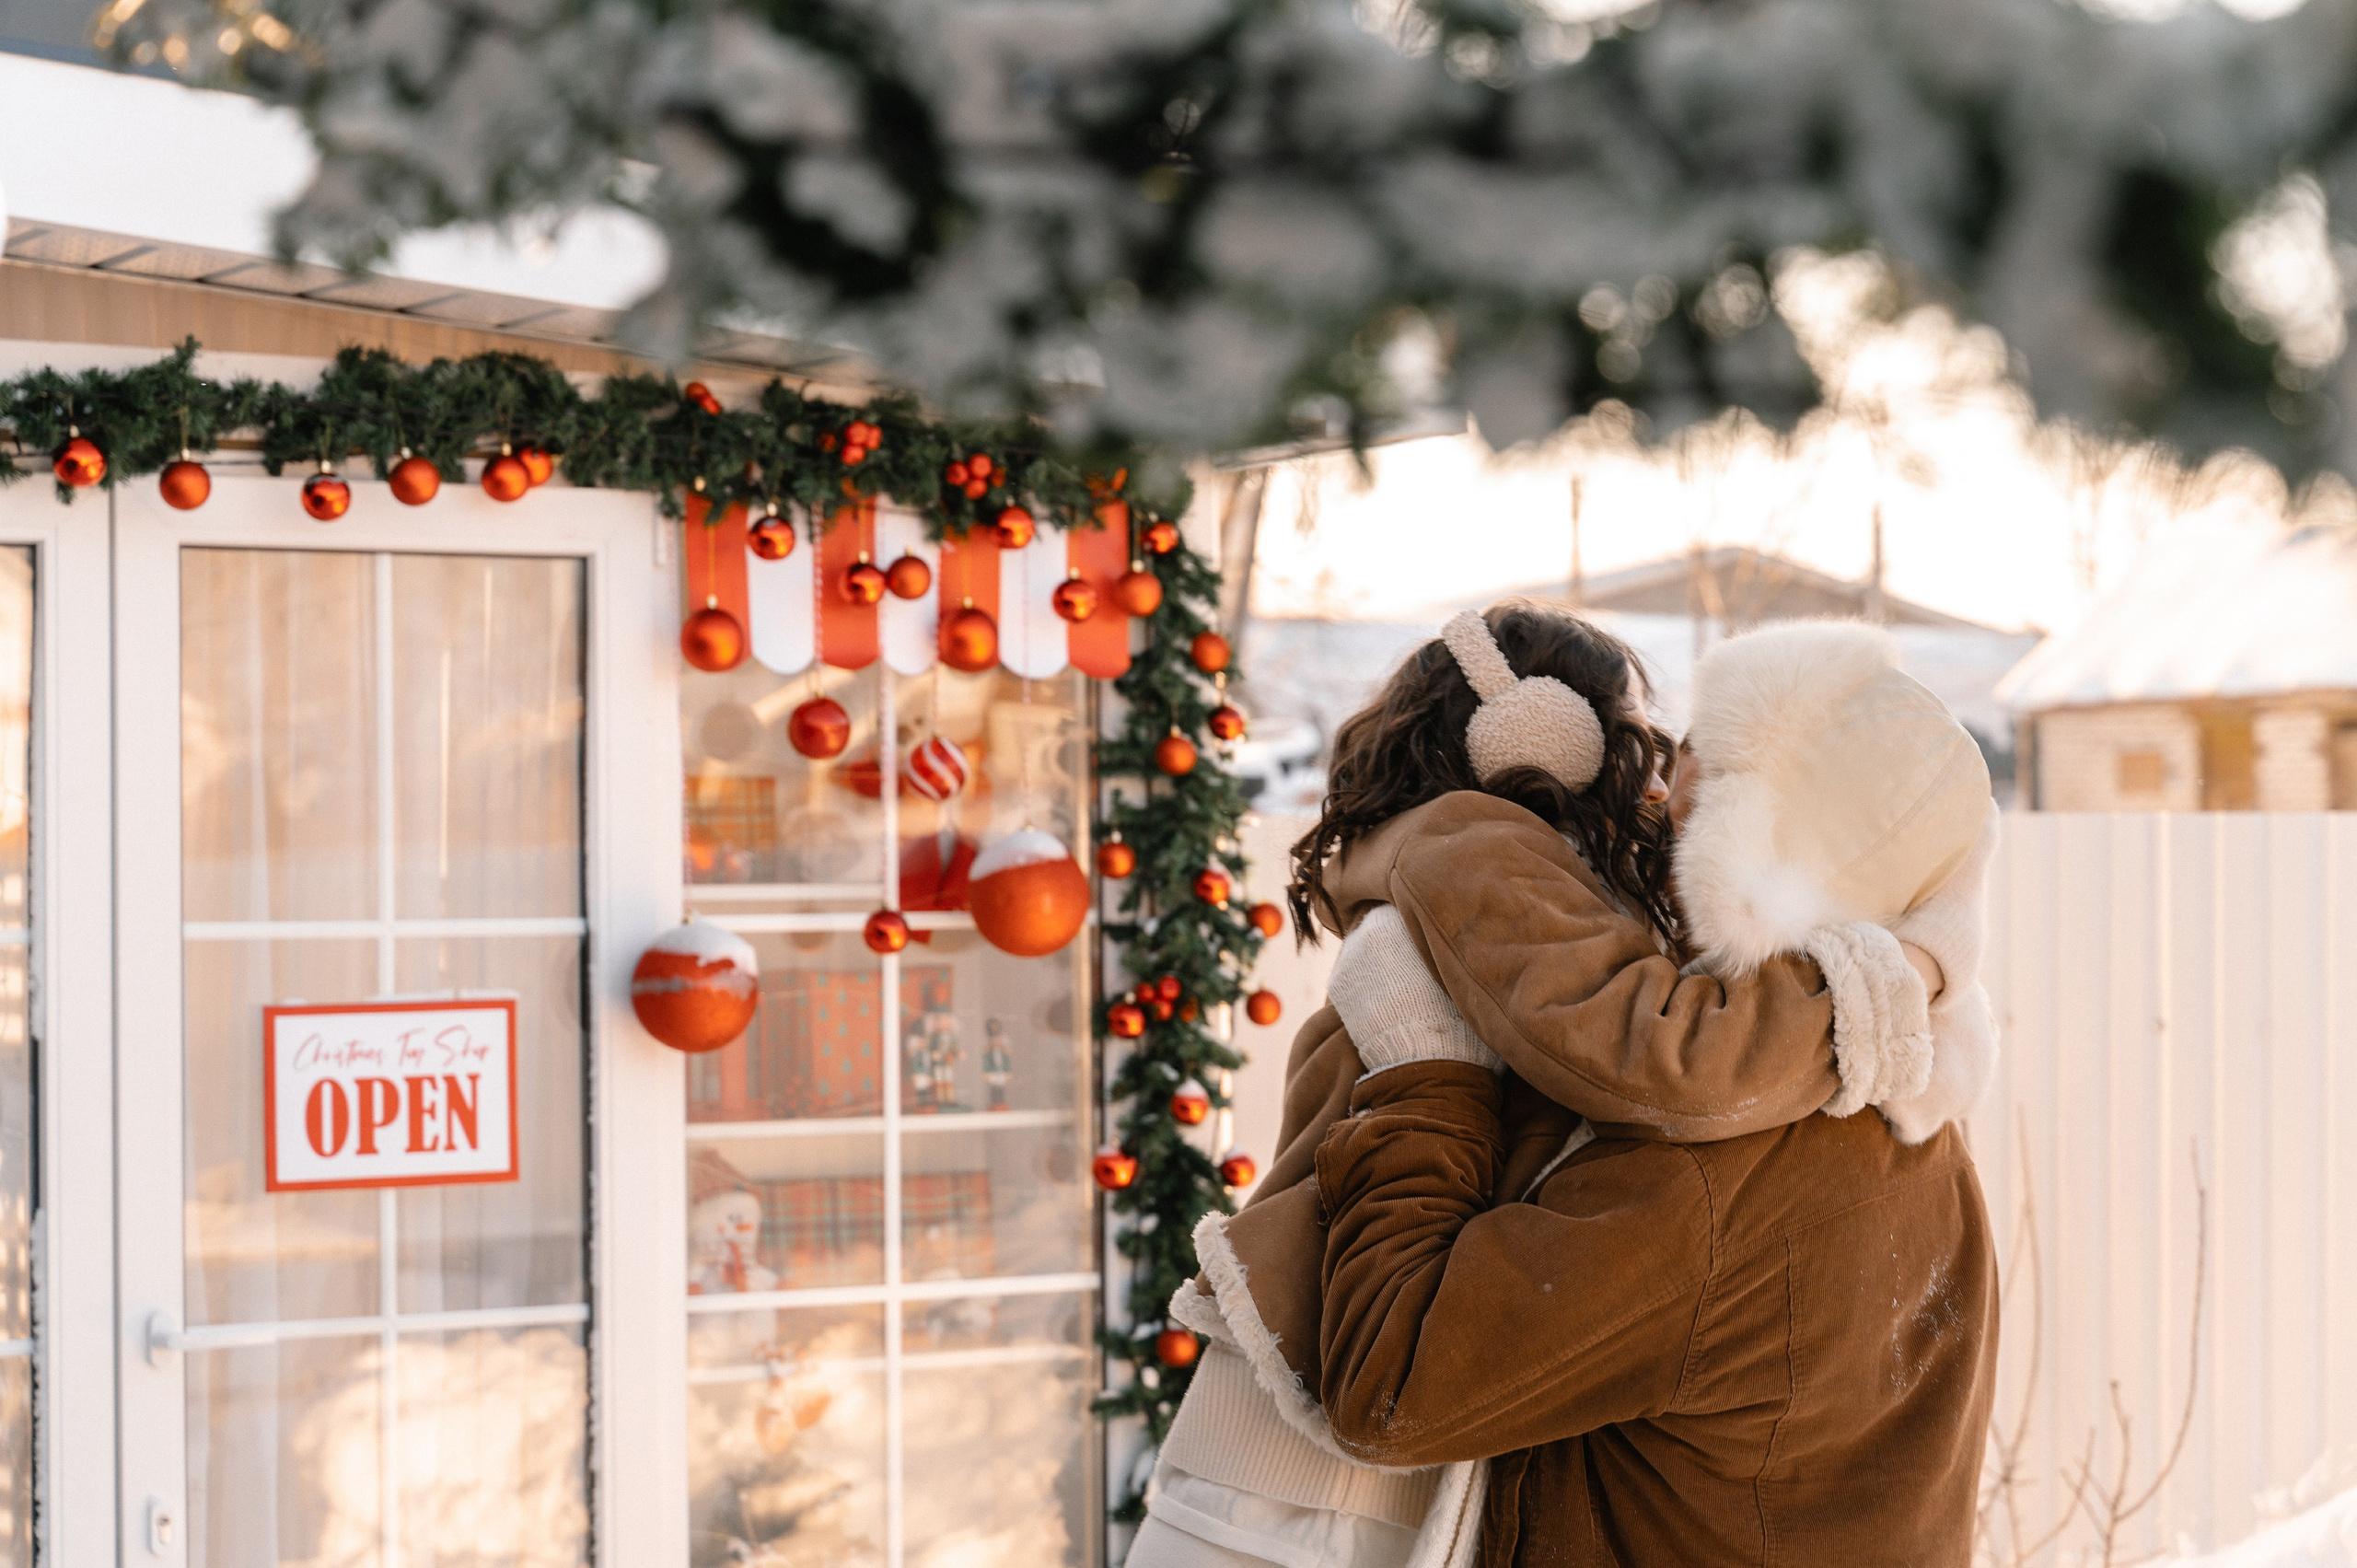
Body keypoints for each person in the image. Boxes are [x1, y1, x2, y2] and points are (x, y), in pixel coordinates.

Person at [1129, 605, 1996, 1568]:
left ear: (1752, 854)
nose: (1657, 795)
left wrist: (1427, 1071)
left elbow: (1394, 1384)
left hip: (1296, 1497)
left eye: (1704, 767)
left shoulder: (1715, 1163)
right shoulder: (1907, 1119)